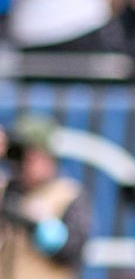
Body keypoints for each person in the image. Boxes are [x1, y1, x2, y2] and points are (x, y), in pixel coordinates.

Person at [0, 116, 91, 279]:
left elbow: (72, 251)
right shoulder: (8, 189)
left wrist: (38, 224)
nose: (21, 164)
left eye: (29, 157)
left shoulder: (68, 194)